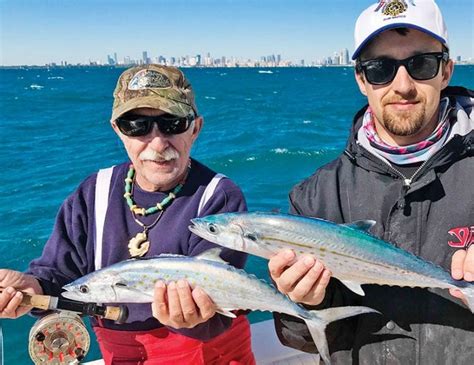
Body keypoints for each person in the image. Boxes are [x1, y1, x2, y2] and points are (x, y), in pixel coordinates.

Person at [0, 65, 255, 364]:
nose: (158, 144)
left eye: (172, 123)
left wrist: (195, 315)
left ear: (195, 128)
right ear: (117, 130)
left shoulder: (219, 197)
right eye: (136, 125)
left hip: (212, 355)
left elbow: (217, 307)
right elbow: (59, 274)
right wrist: (34, 288)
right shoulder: (93, 192)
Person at [269, 0, 474, 364]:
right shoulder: (315, 197)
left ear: (446, 71)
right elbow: (303, 338)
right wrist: (300, 300)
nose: (403, 85)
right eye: (381, 70)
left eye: (421, 64)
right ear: (362, 80)